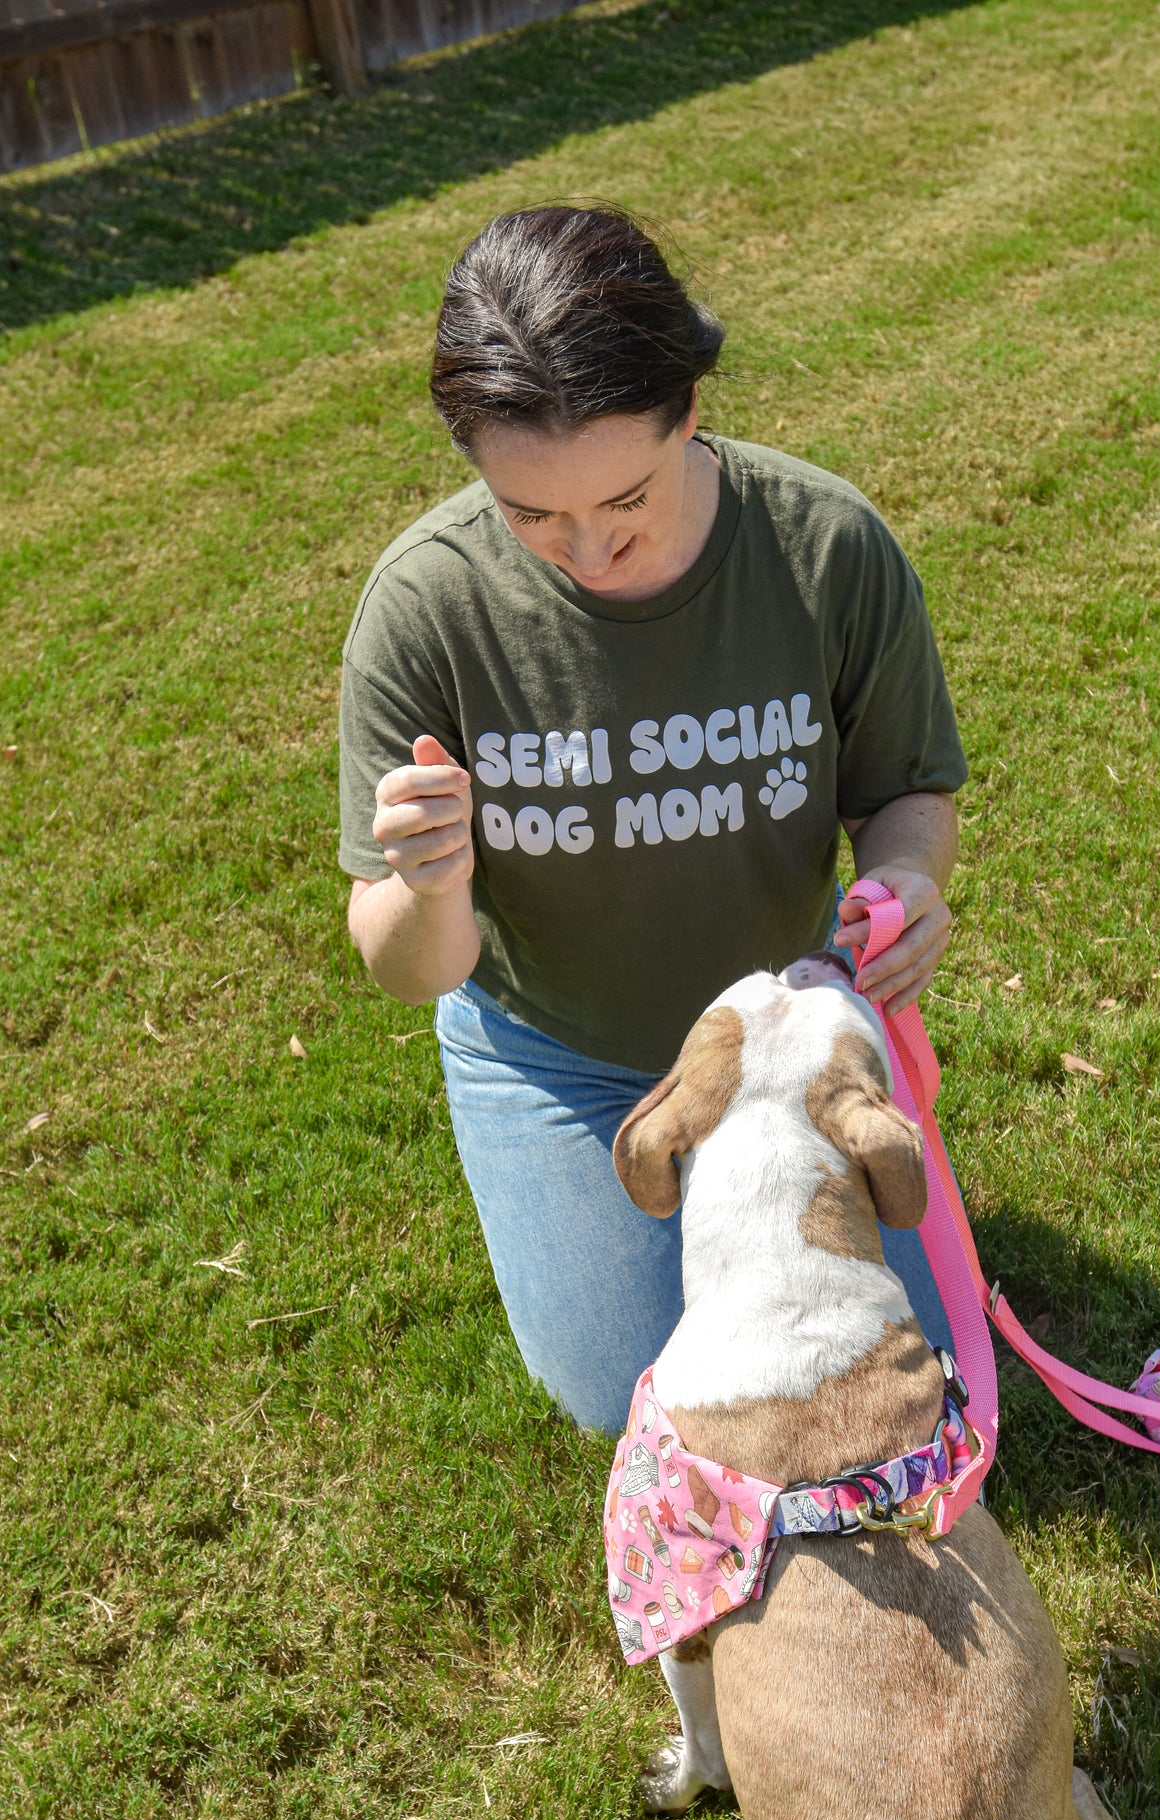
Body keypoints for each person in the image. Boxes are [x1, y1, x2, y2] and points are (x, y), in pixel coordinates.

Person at [339, 205, 966, 1435]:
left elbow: (904, 793)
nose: (585, 546)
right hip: (556, 1056)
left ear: (689, 408)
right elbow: (414, 970)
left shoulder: (825, 545)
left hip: (784, 1037)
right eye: (529, 513)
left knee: (903, 1386)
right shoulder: (425, 608)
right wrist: (424, 883)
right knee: (635, 1398)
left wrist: (904, 880)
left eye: (622, 494)